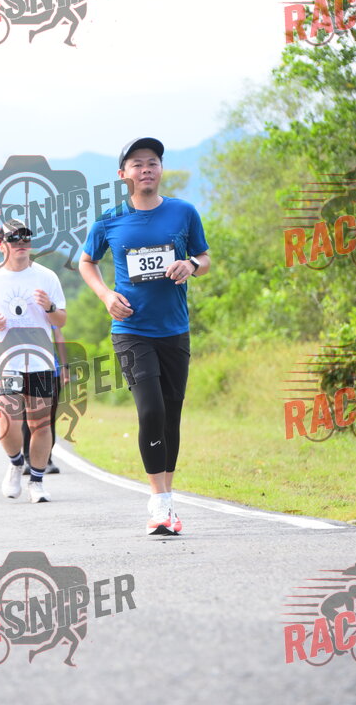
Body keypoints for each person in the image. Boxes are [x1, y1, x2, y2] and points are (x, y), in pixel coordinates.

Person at [79, 137, 210, 535]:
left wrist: (190, 265)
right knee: (150, 410)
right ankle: (158, 503)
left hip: (175, 330)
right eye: (137, 164)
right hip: (131, 330)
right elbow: (87, 262)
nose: (146, 169)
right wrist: (106, 295)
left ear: (161, 169)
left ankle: (167, 500)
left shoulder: (183, 212)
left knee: (171, 413)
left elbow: (204, 258)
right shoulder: (109, 219)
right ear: (124, 174)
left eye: (152, 162)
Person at [0, 219, 66, 503]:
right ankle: (15, 463)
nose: (21, 243)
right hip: (5, 361)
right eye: (14, 239)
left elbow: (61, 319)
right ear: (1, 245)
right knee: (8, 421)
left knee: (40, 425)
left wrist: (49, 306)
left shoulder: (46, 276)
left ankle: (37, 481)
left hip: (40, 362)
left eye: (26, 238)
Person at [23, 325, 71, 475]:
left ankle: (46, 460)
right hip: (22, 370)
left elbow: (58, 336)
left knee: (48, 418)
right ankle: (28, 460)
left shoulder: (46, 312)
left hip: (50, 370)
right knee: (26, 416)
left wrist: (65, 367)